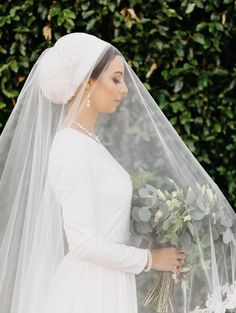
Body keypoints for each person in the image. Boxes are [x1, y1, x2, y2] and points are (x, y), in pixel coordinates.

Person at [0, 32, 235, 313]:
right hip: (89, 292)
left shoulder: (89, 141)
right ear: (87, 84)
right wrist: (150, 259)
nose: (124, 89)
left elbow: (104, 222)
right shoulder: (70, 147)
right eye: (115, 79)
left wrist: (148, 234)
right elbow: (83, 243)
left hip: (109, 281)